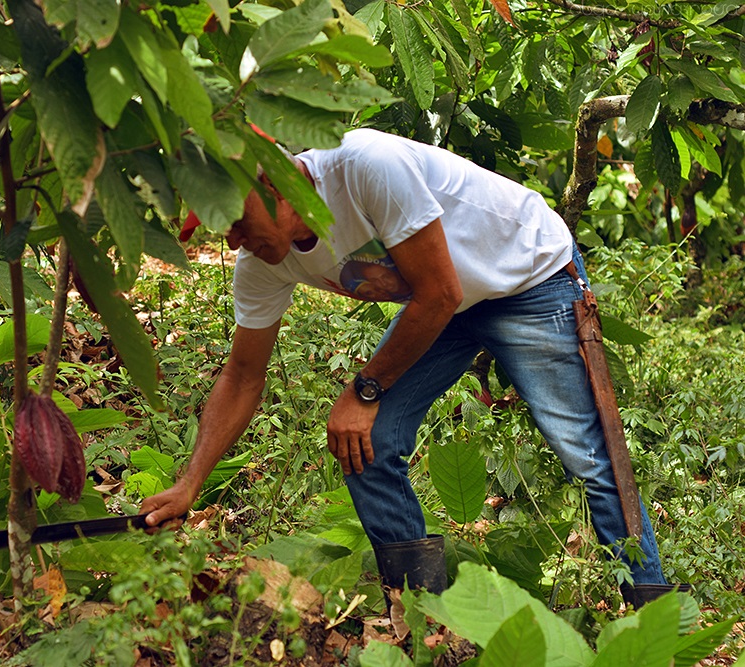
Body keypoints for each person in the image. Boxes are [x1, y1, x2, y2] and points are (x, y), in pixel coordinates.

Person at [141, 127, 680, 607]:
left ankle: (653, 621)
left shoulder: (365, 166)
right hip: (442, 301)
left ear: (278, 184)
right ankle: (427, 616)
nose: (232, 240)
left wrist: (366, 387)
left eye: (235, 220)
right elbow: (242, 376)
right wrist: (191, 484)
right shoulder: (261, 260)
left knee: (587, 453)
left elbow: (440, 292)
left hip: (526, 277)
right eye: (220, 229)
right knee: (361, 440)